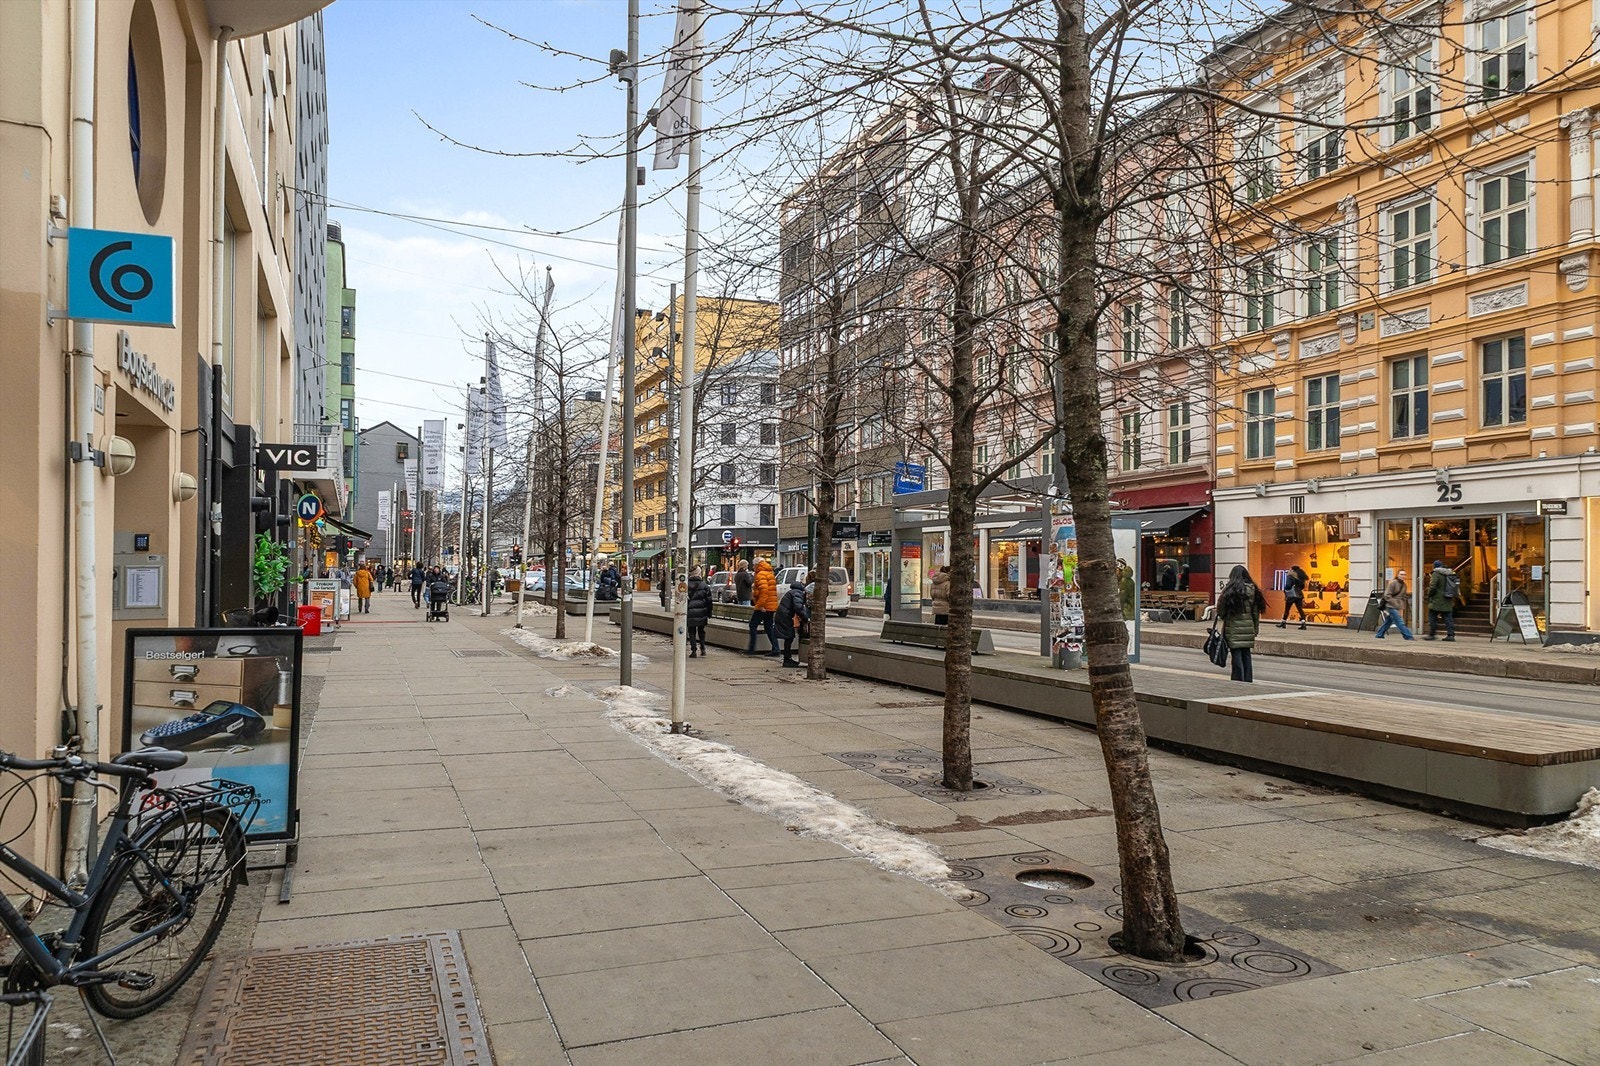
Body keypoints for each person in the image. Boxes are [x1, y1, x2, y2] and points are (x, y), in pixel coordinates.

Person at [1217, 565, 1267, 683]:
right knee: (1246, 654)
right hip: (1248, 627)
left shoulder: (1229, 591)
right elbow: (1255, 613)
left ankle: (1238, 680)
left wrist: (1226, 616)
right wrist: (1255, 628)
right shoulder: (1253, 590)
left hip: (1233, 628)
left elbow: (1221, 611)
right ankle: (1248, 679)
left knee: (1236, 655)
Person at [775, 571, 811, 668]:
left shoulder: (793, 592)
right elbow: (798, 607)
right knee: (789, 637)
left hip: (783, 616)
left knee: (789, 637)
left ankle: (788, 658)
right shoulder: (797, 593)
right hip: (785, 617)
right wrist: (805, 618)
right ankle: (787, 660)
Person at [749, 558, 780, 655]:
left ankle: (751, 648)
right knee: (769, 627)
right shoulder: (769, 573)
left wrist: (760, 605)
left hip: (764, 606)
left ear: (757, 565)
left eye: (753, 565)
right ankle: (776, 648)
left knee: (753, 624)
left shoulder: (761, 574)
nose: (753, 567)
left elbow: (764, 591)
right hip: (771, 605)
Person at [1373, 570, 1415, 640]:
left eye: (1404, 574)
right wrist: (1394, 603)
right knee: (1399, 621)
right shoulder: (1393, 583)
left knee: (1389, 621)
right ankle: (1408, 636)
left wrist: (1406, 598)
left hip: (1397, 606)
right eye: (1401, 574)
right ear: (1398, 575)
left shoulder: (1404, 585)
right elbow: (1387, 595)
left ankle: (1379, 634)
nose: (1403, 576)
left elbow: (1403, 595)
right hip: (1391, 605)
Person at [1425, 559, 1457, 641]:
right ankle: (1450, 635)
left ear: (1434, 566)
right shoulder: (1449, 573)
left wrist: (1429, 594)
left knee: (1432, 617)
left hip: (1437, 600)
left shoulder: (1436, 574)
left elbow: (1433, 586)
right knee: (1448, 618)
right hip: (1448, 598)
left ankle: (1432, 634)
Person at [685, 568, 713, 657]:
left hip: (690, 612)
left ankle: (694, 650)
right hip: (702, 612)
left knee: (692, 632)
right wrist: (709, 612)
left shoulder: (686, 585)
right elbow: (709, 601)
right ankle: (703, 648)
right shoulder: (704, 585)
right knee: (701, 631)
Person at [1277, 565, 1308, 629]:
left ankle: (1283, 622)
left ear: (1292, 570)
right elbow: (1303, 586)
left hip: (1291, 595)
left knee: (1287, 609)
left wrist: (1286, 589)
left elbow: (1288, 585)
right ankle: (1303, 623)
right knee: (1300, 609)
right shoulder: (1300, 576)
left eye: (1290, 569)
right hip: (1299, 594)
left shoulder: (1290, 575)